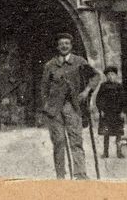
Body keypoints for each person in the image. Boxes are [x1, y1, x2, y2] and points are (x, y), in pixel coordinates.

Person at [40, 32, 100, 179]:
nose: (64, 46)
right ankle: (60, 176)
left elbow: (96, 76)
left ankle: (80, 174)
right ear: (57, 46)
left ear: (71, 46)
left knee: (76, 141)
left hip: (72, 107)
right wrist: (47, 106)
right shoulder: (50, 65)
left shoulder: (79, 62)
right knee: (58, 142)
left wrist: (86, 91)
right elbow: (44, 88)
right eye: (61, 44)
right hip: (54, 110)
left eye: (67, 43)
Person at [96, 66, 127, 159]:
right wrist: (101, 110)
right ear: (106, 76)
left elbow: (124, 100)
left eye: (112, 74)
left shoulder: (119, 86)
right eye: (108, 75)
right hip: (106, 114)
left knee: (118, 134)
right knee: (106, 134)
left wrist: (123, 111)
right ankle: (105, 152)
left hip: (117, 114)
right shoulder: (103, 86)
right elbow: (98, 99)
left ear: (116, 75)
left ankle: (119, 152)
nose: (110, 76)